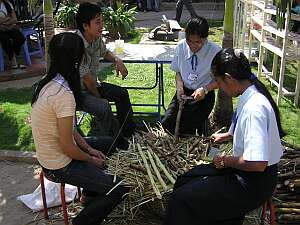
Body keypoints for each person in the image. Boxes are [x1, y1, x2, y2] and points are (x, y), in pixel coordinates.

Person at [164, 48, 285, 225]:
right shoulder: (250, 93)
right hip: (247, 174)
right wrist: (228, 135)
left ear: (228, 78)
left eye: (218, 82)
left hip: (253, 184)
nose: (218, 86)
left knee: (180, 200)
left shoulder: (254, 108)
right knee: (185, 180)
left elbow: (258, 164)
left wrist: (225, 160)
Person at [31, 32, 129, 225]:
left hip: (55, 154)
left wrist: (90, 149)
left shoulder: (48, 82)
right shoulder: (62, 94)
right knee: (119, 188)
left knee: (111, 142)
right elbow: (68, 147)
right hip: (59, 165)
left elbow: (71, 131)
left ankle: (89, 194)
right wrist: (91, 159)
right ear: (79, 58)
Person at [75, 2, 135, 143]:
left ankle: (128, 133)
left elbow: (105, 52)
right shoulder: (76, 44)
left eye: (102, 21)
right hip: (76, 92)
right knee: (103, 107)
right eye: (97, 22)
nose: (102, 26)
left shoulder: (96, 39)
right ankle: (115, 143)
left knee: (121, 94)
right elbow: (86, 79)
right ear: (85, 26)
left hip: (92, 85)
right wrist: (98, 97)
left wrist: (117, 60)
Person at [162, 16, 221, 136]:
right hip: (184, 92)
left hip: (204, 94)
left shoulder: (215, 51)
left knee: (187, 128)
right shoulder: (181, 47)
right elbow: (178, 71)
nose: (193, 45)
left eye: (198, 42)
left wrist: (205, 89)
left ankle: (202, 126)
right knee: (167, 123)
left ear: (205, 38)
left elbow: (221, 80)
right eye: (190, 41)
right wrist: (179, 88)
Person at [0, 0, 25, 69]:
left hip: (10, 27)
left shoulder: (7, 3)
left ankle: (16, 53)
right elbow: (10, 18)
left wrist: (3, 22)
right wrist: (7, 18)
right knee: (5, 40)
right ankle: (12, 57)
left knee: (20, 38)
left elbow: (14, 19)